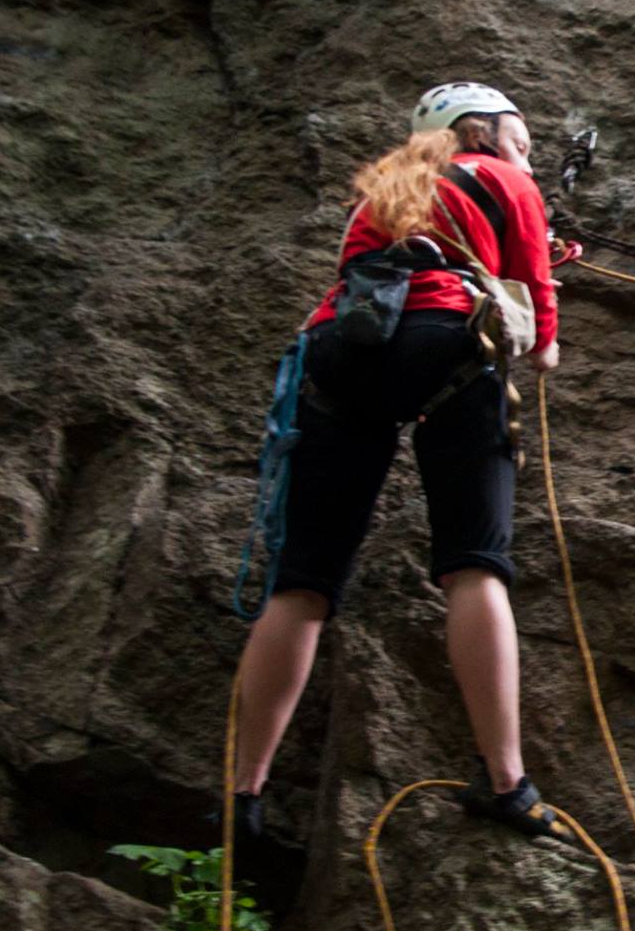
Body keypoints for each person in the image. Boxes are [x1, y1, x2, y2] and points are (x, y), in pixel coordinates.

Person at [229, 82, 564, 839]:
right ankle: (506, 782)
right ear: (479, 130)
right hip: (449, 342)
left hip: (342, 356)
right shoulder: (505, 180)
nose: (529, 154)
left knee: (303, 583)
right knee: (474, 565)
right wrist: (544, 321)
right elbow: (540, 328)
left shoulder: (381, 189)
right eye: (521, 137)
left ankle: (242, 794)